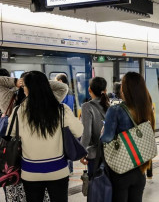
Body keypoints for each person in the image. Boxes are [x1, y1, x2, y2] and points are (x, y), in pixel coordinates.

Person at [8, 71, 83, 202]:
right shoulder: (61, 109)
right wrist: (41, 83)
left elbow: (10, 134)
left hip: (30, 172)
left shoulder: (18, 111)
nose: (23, 89)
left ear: (29, 88)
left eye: (25, 86)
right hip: (58, 170)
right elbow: (79, 131)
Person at [101, 72, 155, 202]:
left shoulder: (116, 110)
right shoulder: (147, 108)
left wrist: (103, 131)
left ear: (125, 88)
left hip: (121, 169)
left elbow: (107, 139)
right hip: (140, 167)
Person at [80, 77, 110, 178]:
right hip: (109, 154)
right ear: (105, 91)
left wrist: (82, 152)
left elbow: (87, 134)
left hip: (94, 155)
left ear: (89, 90)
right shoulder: (109, 105)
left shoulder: (86, 107)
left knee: (95, 188)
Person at [55, 73, 75, 175]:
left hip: (63, 122)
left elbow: (60, 106)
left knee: (63, 147)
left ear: (60, 81)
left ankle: (67, 169)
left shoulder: (63, 92)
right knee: (68, 145)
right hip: (69, 121)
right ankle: (70, 169)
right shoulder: (71, 92)